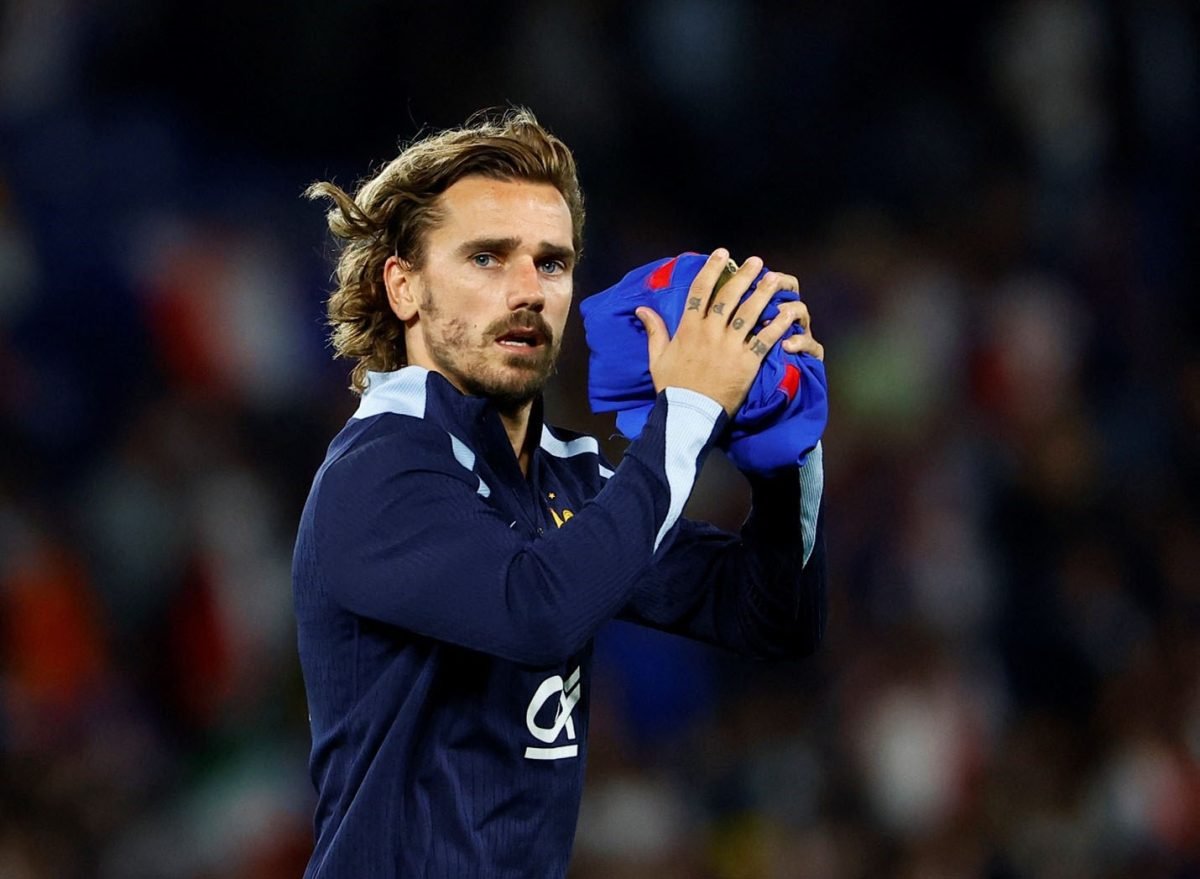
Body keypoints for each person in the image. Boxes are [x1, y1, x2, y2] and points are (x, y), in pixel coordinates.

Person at [292, 108, 828, 878]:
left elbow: (771, 615)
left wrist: (782, 448)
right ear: (403, 287)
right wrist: (688, 411)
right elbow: (536, 609)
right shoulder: (379, 468)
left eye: (551, 263)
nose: (527, 290)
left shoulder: (565, 478)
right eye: (486, 258)